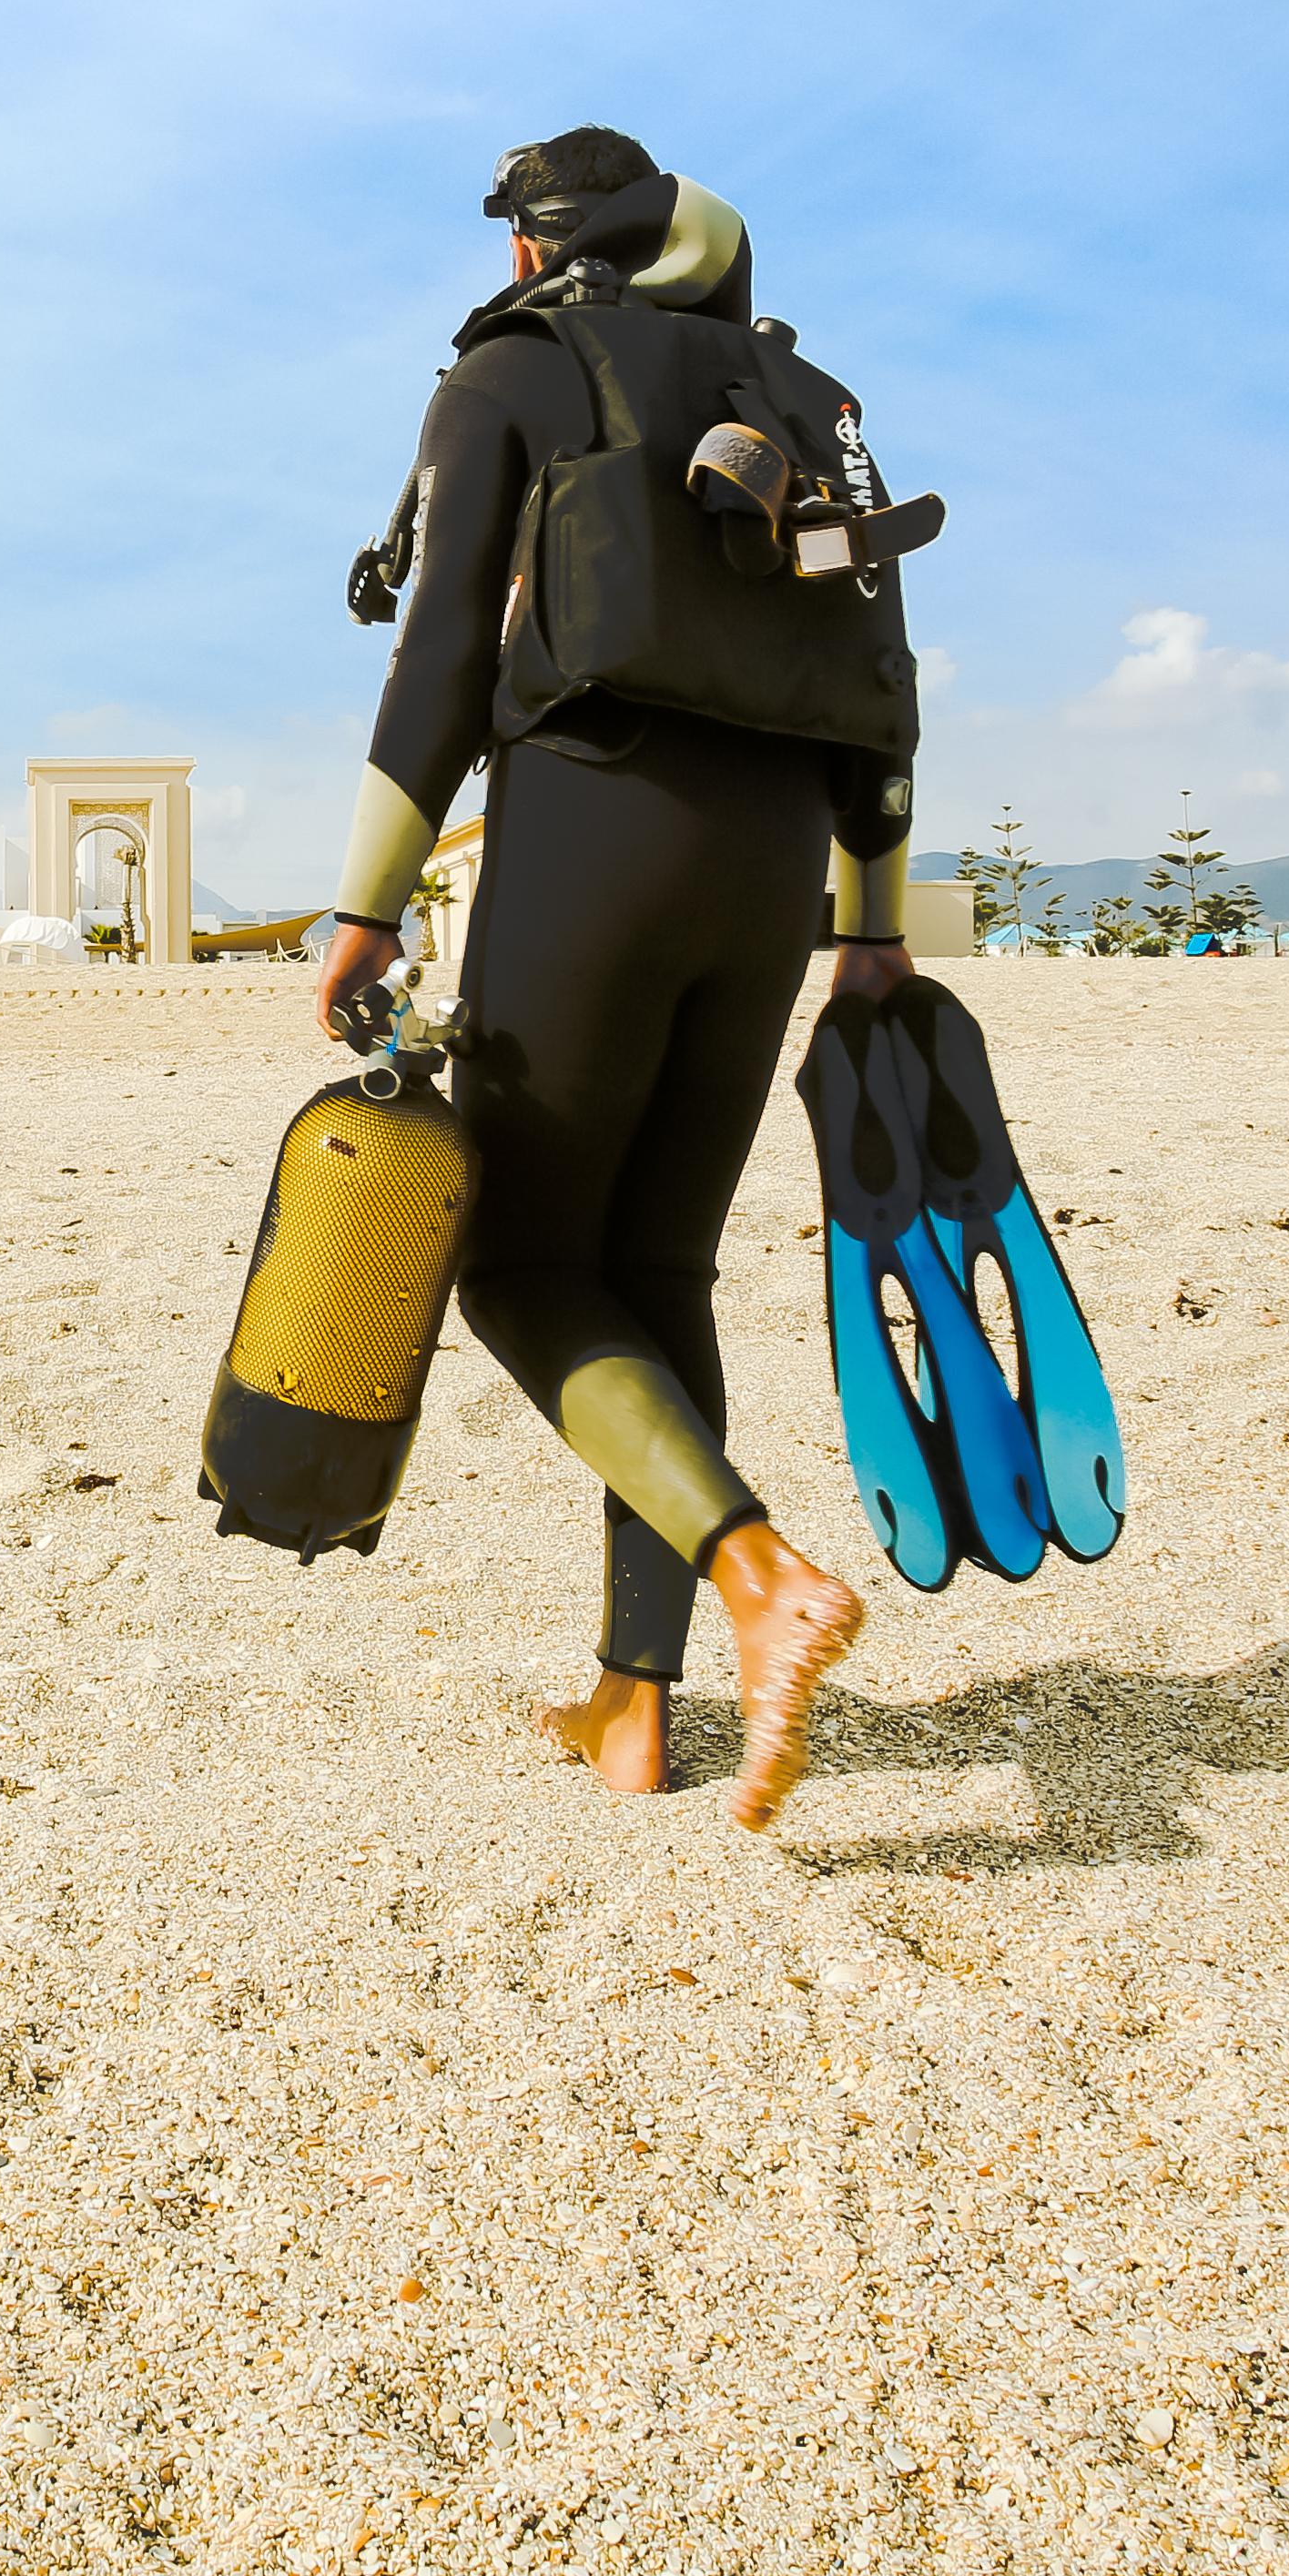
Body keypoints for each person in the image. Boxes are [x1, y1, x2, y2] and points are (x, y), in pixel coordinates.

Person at [316, 126, 912, 1828]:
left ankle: (755, 1572)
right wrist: (869, 921)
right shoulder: (813, 398)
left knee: (517, 1260)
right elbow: (881, 666)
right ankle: (635, 1707)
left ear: (533, 248)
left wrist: (364, 900)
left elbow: (447, 649)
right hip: (779, 861)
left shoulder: (519, 364)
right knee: (662, 1269)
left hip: (594, 822)